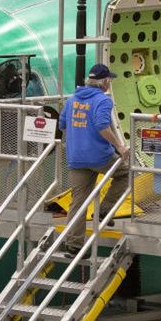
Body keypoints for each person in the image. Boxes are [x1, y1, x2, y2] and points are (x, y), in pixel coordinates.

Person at [58, 63, 130, 254]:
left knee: (78, 200)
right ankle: (105, 209)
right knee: (126, 174)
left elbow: (63, 124)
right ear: (105, 81)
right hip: (99, 157)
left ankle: (74, 245)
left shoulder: (72, 99)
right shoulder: (103, 101)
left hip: (76, 157)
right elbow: (102, 126)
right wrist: (119, 146)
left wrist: (78, 139)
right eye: (109, 80)